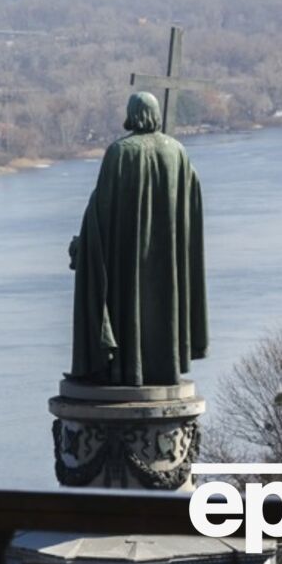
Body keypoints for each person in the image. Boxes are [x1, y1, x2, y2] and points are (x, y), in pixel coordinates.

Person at [68, 91, 207, 386]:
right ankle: (165, 366)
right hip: (168, 258)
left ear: (132, 114)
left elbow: (101, 211)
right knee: (164, 303)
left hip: (126, 258)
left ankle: (124, 367)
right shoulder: (177, 152)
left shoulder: (120, 152)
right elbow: (191, 200)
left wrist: (85, 246)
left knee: (126, 302)